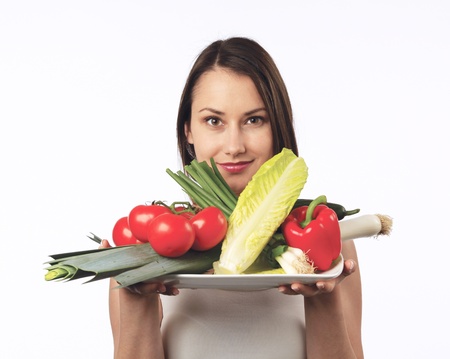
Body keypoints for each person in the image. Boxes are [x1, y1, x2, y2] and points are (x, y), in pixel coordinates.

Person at [101, 37, 363, 359]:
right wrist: (135, 294)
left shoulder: (325, 241)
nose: (234, 144)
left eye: (254, 120)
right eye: (214, 121)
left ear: (277, 127)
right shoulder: (147, 242)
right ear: (188, 131)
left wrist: (323, 295)